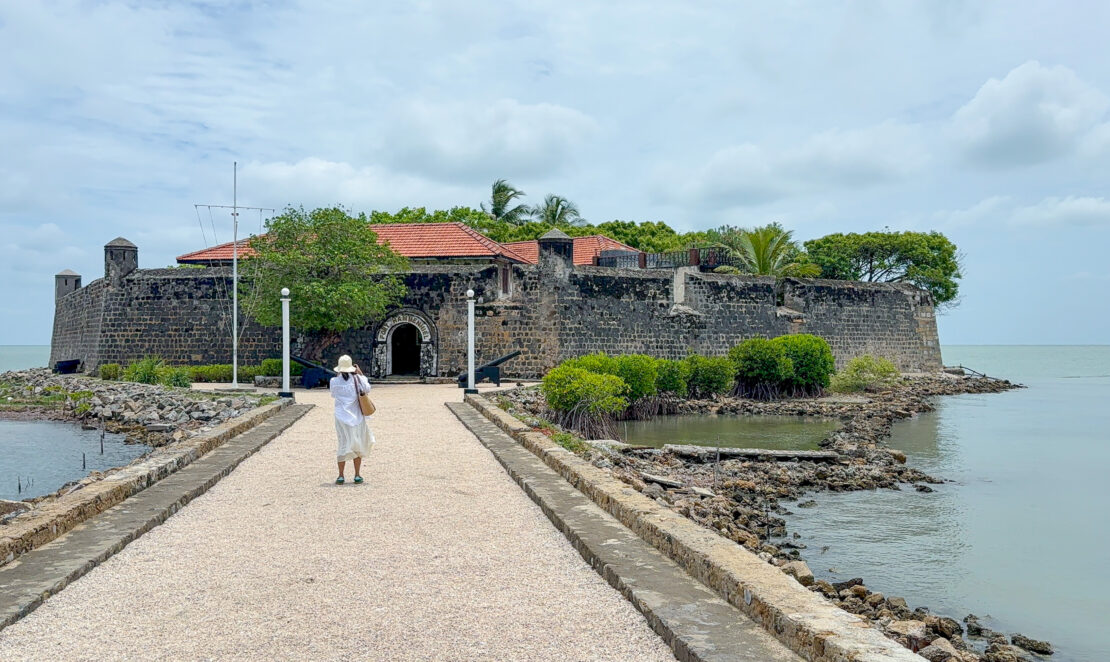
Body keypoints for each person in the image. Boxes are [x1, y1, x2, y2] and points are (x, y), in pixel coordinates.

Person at [329, 355, 374, 484]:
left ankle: (341, 475)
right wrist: (360, 373)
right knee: (357, 443)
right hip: (357, 417)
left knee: (342, 443)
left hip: (341, 417)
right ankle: (357, 474)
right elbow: (367, 389)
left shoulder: (334, 381)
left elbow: (333, 394)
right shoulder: (358, 379)